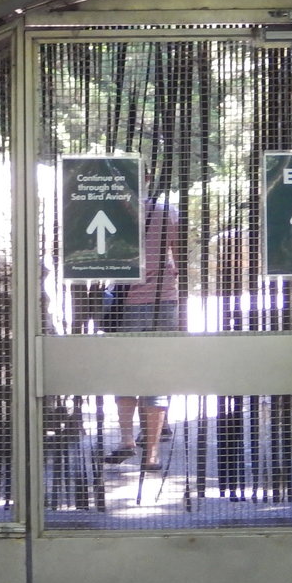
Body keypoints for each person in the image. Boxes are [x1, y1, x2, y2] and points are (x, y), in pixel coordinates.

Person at [103, 196, 181, 470]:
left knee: (125, 372)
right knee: (156, 374)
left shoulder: (111, 209)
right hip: (165, 300)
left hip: (128, 302)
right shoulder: (167, 211)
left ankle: (127, 441)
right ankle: (152, 454)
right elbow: (178, 254)